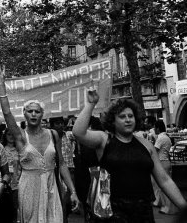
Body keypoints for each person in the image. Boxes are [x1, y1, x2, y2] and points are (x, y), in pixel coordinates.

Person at [72, 89, 187, 222]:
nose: (127, 120)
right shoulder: (104, 140)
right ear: (113, 121)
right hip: (113, 212)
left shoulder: (147, 145)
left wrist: (184, 207)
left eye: (130, 116)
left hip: (143, 211)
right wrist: (90, 104)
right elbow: (79, 133)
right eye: (122, 117)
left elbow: (164, 180)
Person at [0, 68, 79, 223]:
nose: (33, 114)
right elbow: (7, 113)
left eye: (37, 111)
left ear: (42, 114)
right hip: (29, 187)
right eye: (30, 111)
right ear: (24, 114)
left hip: (52, 186)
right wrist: (2, 86)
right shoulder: (20, 136)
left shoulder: (53, 134)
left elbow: (61, 165)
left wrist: (73, 191)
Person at [153, 120, 178, 214]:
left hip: (162, 163)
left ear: (158, 128)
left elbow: (154, 150)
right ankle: (165, 205)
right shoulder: (166, 137)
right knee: (165, 186)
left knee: (164, 187)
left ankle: (168, 208)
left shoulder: (161, 138)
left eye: (155, 127)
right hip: (165, 161)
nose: (154, 129)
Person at [1, 127, 22, 223]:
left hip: (17, 184)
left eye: (13, 134)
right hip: (4, 184)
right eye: (9, 134)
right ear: (5, 135)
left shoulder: (20, 149)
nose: (11, 137)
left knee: (16, 209)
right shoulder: (1, 149)